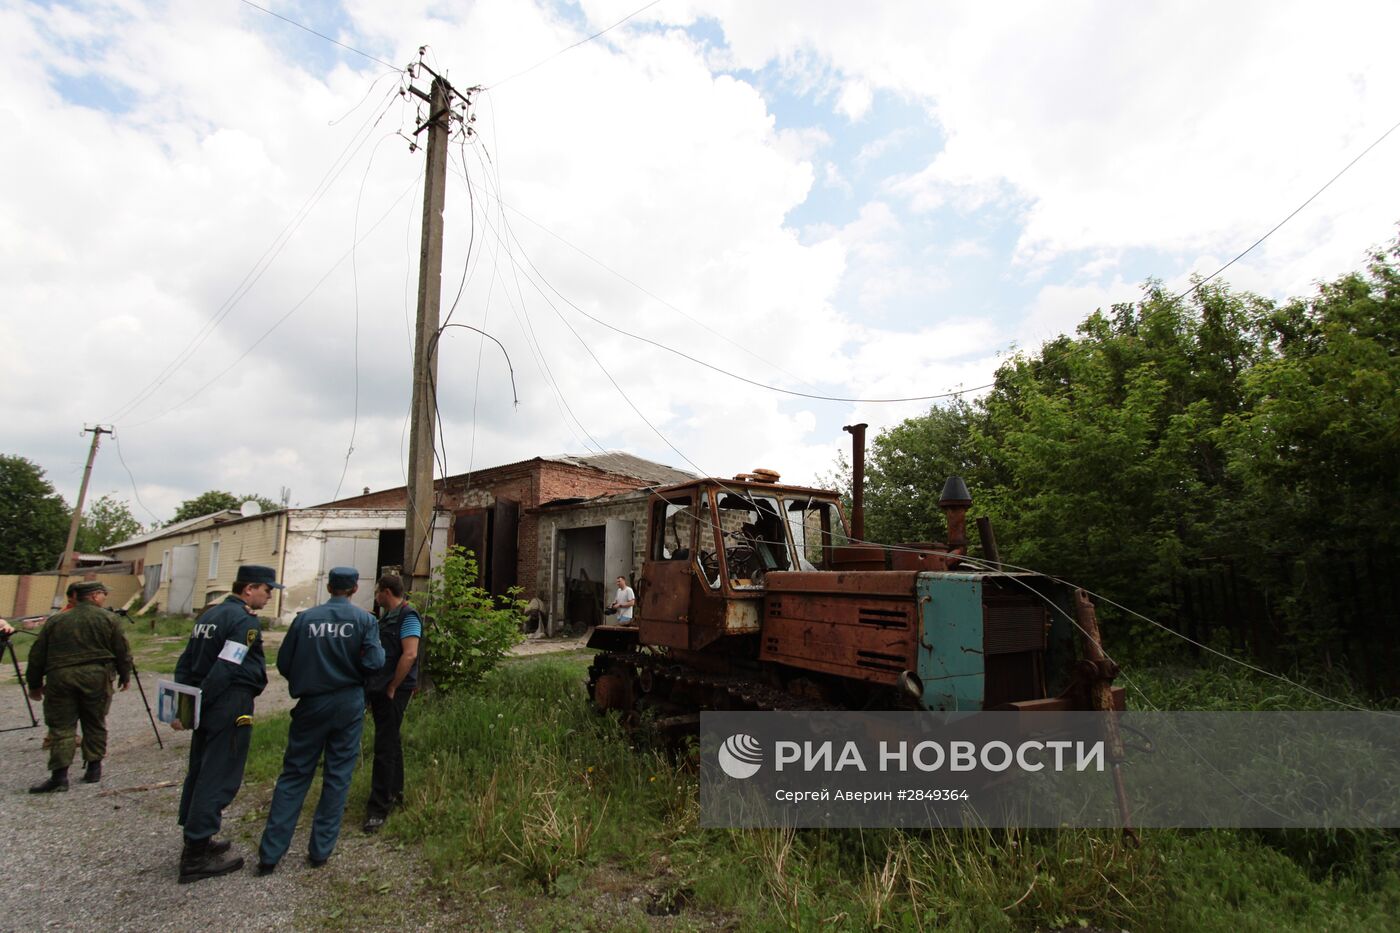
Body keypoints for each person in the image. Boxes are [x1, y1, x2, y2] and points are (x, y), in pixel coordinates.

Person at [256, 567, 383, 874]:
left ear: (329, 587)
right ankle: (320, 850)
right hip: (347, 702)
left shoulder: (305, 620)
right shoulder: (365, 620)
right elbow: (375, 662)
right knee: (338, 775)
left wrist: (311, 677)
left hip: (311, 701)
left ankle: (271, 854)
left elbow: (285, 662)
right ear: (354, 588)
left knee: (295, 773)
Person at [172, 564, 280, 883]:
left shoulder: (208, 616)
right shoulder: (242, 621)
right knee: (218, 773)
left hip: (206, 704)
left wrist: (187, 705)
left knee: (201, 767)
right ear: (249, 589)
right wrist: (205, 698)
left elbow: (186, 662)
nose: (269, 595)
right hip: (227, 702)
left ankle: (199, 838)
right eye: (267, 589)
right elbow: (227, 666)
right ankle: (195, 856)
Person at [24, 581, 132, 793]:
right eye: (102, 594)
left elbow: (37, 654)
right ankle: (94, 768)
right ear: (92, 596)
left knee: (62, 726)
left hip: (60, 677)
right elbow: (122, 650)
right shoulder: (109, 619)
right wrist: (124, 675)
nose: (104, 597)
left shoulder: (56, 621)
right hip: (96, 677)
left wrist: (34, 684)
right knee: (95, 721)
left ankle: (59, 776)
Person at [362, 573, 422, 834]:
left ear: (386, 592)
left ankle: (378, 809)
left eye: (378, 592)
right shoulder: (387, 617)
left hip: (394, 689)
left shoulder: (408, 616)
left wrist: (393, 686)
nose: (376, 596)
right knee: (391, 740)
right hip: (382, 687)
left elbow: (410, 654)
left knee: (384, 745)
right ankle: (395, 792)